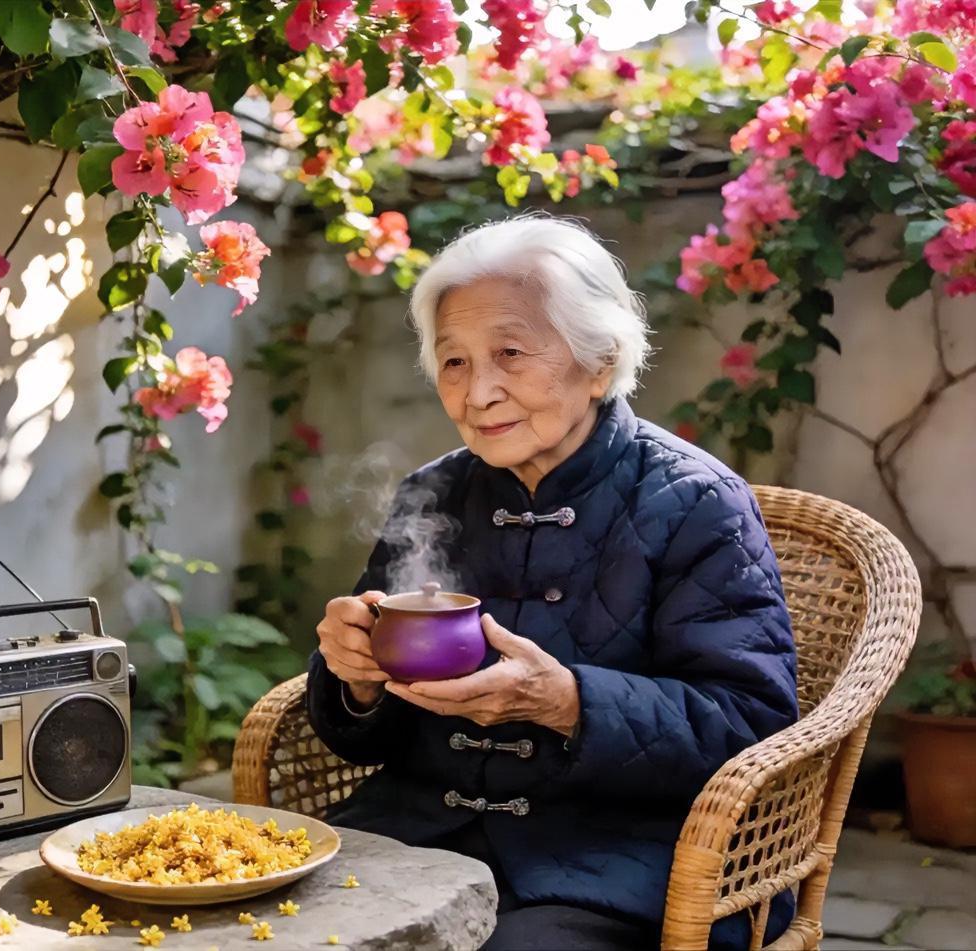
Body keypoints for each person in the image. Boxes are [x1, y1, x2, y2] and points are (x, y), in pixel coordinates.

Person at [307, 216, 798, 949]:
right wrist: (355, 679)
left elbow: (751, 724)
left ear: (600, 361)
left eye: (510, 352)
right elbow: (359, 728)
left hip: (616, 863)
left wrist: (568, 701)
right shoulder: (433, 493)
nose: (479, 393)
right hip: (415, 836)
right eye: (454, 361)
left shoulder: (697, 502)